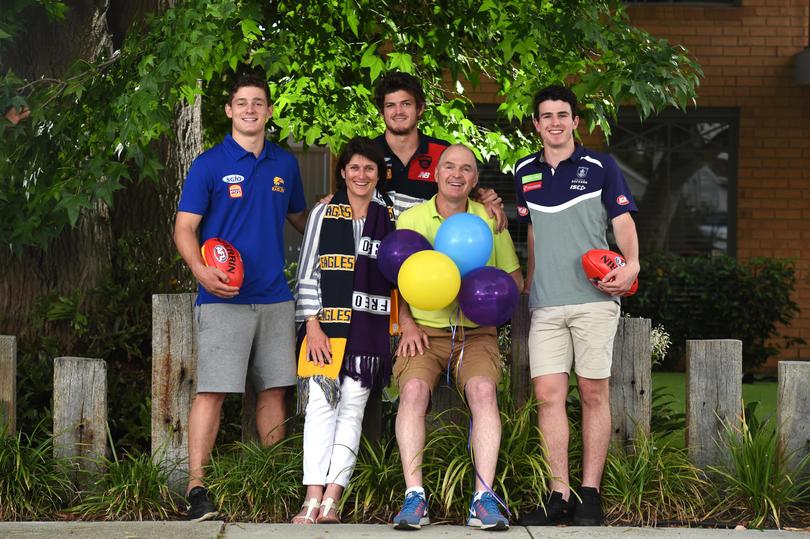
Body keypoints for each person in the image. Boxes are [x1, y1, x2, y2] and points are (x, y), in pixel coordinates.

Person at [173, 72, 308, 522]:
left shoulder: (284, 164)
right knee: (212, 391)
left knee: (275, 390)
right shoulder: (209, 164)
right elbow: (185, 228)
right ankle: (196, 489)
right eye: (242, 103)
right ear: (229, 110)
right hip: (223, 297)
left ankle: (270, 484)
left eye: (259, 102)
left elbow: (302, 220)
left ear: (269, 111)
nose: (251, 109)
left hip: (275, 296)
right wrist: (200, 272)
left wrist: (340, 223)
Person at [513, 85, 639, 526]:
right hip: (545, 305)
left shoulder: (601, 166)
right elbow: (530, 232)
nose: (554, 123)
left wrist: (633, 264)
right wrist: (529, 285)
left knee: (592, 393)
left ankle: (590, 494)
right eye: (546, 116)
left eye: (562, 114)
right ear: (536, 124)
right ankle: (558, 495)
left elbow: (622, 222)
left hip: (594, 300)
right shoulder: (524, 170)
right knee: (548, 397)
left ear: (575, 121)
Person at [391, 144, 523, 531]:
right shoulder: (413, 218)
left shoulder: (489, 219)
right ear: (436, 173)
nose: (457, 174)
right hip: (424, 331)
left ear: (476, 180)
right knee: (413, 392)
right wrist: (407, 325)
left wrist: (493, 299)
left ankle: (483, 498)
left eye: (466, 169)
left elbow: (513, 278)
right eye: (449, 166)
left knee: (483, 392)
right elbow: (395, 277)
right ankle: (414, 497)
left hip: (476, 332)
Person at [291, 137, 396, 524]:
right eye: (354, 167)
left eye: (369, 168)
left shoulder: (390, 216)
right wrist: (312, 326)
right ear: (343, 172)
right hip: (326, 328)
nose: (361, 175)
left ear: (379, 174)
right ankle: (311, 497)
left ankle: (334, 498)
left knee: (352, 409)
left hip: (369, 327)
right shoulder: (323, 213)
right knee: (320, 407)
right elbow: (306, 273)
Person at [372, 71, 508, 230]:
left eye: (406, 104)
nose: (398, 111)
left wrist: (486, 201)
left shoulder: (443, 153)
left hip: (432, 248)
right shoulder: (368, 154)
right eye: (390, 105)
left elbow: (469, 195)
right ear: (382, 112)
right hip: (376, 248)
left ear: (420, 109)